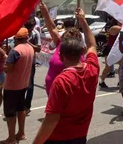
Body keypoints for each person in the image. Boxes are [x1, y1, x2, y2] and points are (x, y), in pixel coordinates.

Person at [33, 8, 99, 144]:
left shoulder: (62, 82)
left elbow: (51, 120)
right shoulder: (92, 69)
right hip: (80, 135)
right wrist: (83, 21)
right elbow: (92, 44)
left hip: (59, 137)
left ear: (62, 57)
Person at [40, 2, 84, 96]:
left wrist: (83, 20)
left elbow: (92, 45)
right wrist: (46, 13)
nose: (65, 35)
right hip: (52, 90)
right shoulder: (60, 43)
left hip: (68, 92)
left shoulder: (80, 52)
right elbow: (52, 28)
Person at [2, 28, 34, 144]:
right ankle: (21, 133)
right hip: (23, 84)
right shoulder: (30, 48)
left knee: (10, 112)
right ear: (27, 37)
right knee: (21, 109)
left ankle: (11, 138)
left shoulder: (15, 51)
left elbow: (7, 69)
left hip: (12, 86)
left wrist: (4, 61)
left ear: (16, 38)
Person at [24, 17, 41, 114]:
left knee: (29, 85)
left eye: (30, 28)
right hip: (20, 61)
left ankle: (27, 106)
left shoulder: (35, 34)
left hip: (30, 62)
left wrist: (27, 42)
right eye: (27, 27)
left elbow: (38, 49)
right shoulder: (21, 32)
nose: (28, 30)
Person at [99, 17, 122, 89]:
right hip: (110, 49)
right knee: (108, 67)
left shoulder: (121, 27)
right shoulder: (115, 27)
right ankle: (101, 81)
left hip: (117, 49)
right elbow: (122, 30)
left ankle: (121, 82)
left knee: (122, 65)